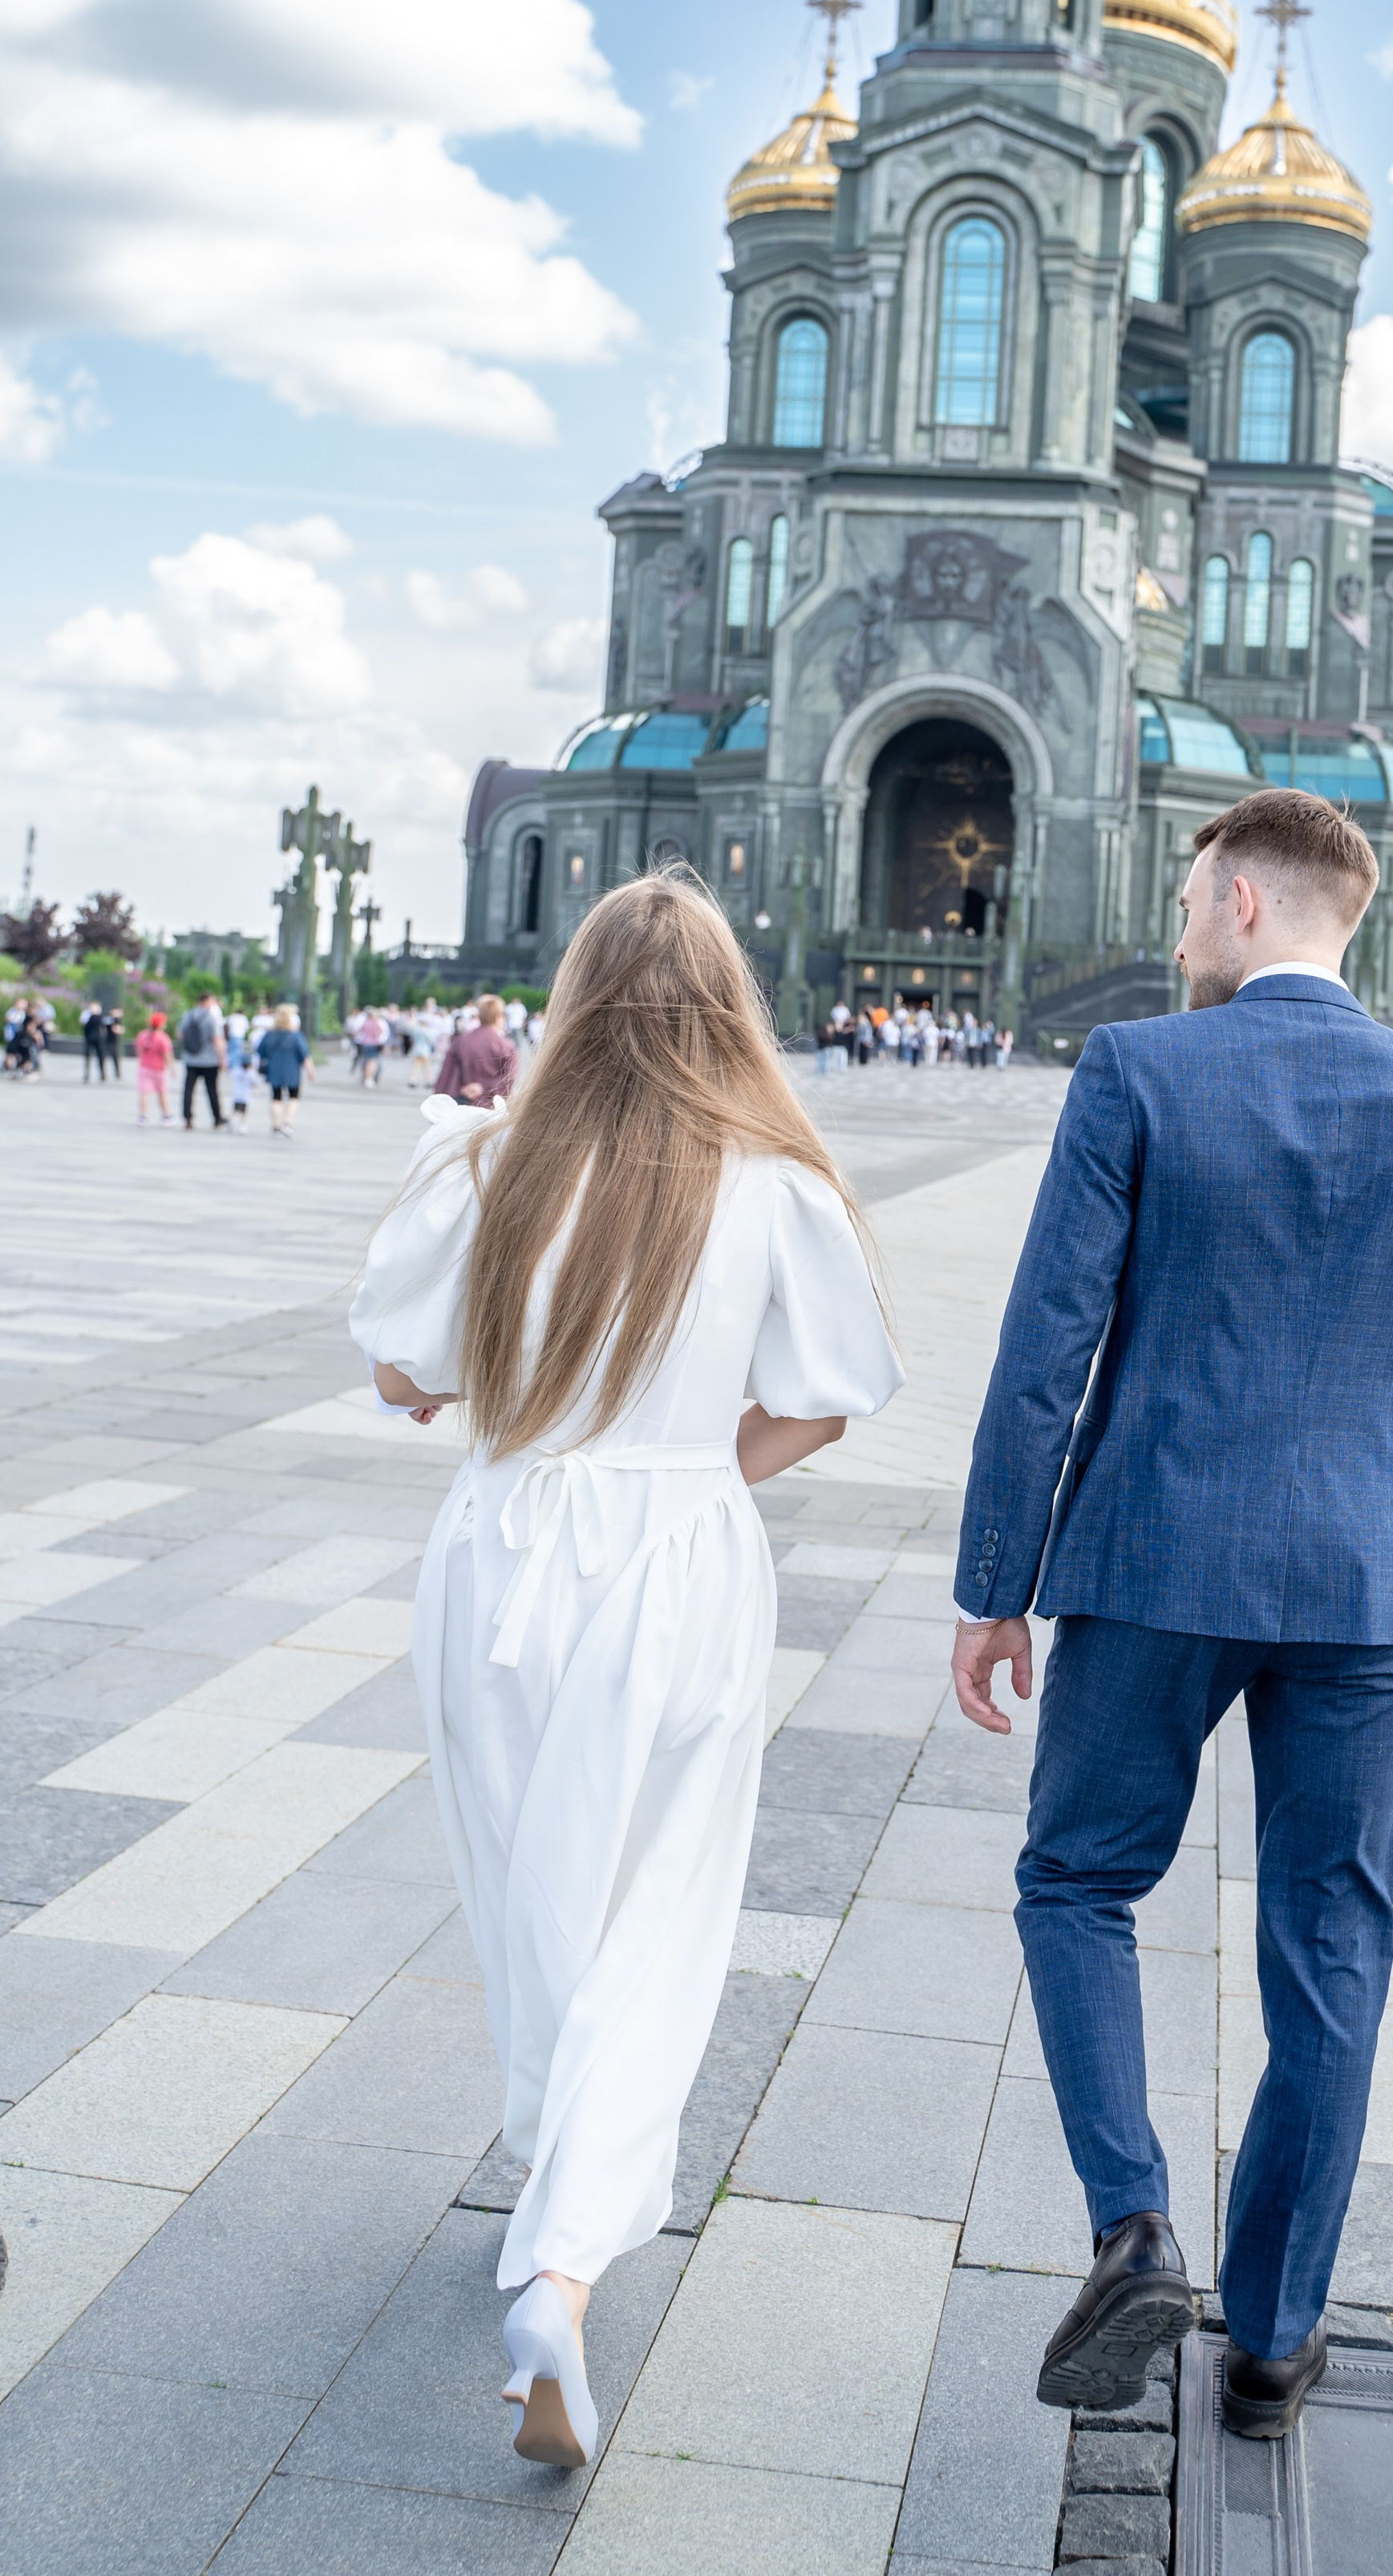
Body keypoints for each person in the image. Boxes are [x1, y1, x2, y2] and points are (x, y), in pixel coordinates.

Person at [950, 789, 1393, 2441]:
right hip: (1372, 1585)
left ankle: (1132, 2224)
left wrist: (990, 1585)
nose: (1171, 923)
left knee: (1076, 1879)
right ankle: (1275, 2338)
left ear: (1233, 901)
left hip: (1149, 1559)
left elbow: (1042, 1350)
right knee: (1330, 1945)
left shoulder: (1139, 1074)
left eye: (1179, 896)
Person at [346, 873, 900, 2472]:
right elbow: (830, 1394)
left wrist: (526, 1401)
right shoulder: (769, 1178)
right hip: (676, 1547)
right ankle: (564, 2271)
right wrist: (690, 1462)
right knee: (658, 1900)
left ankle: (548, 2218)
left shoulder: (477, 1156)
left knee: (529, 1892)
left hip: (501, 1531)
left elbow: (401, 1370)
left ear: (573, 994)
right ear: (726, 1005)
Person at [438, 992, 520, 1107]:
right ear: (498, 1016)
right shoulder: (506, 1045)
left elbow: (446, 1074)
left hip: (464, 1104)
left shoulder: (462, 1040)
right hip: (493, 1108)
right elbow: (510, 1077)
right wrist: (484, 1087)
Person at [257, 1002, 310, 1134]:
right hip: (292, 1071)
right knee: (293, 1096)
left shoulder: (269, 1035)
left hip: (274, 1069)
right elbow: (305, 1055)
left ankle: (275, 1126)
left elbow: (260, 1051)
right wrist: (311, 1071)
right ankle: (287, 1122)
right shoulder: (296, 1036)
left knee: (276, 1097)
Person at [178, 992, 228, 1129]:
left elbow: (180, 1035)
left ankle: (187, 1118)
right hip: (210, 1060)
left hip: (191, 1059)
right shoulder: (211, 1018)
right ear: (208, 1001)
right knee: (212, 1089)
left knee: (188, 1089)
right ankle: (217, 1118)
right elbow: (217, 1040)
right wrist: (223, 1060)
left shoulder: (188, 1015)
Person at [135, 1010, 174, 1123]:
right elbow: (167, 1055)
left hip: (144, 1068)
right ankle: (166, 1116)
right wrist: (172, 1069)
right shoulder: (163, 1038)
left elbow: (139, 1051)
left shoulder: (142, 1036)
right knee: (162, 1094)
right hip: (159, 1070)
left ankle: (142, 1116)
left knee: (145, 1093)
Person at [225, 1015, 257, 1134]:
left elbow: (231, 1075)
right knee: (244, 1111)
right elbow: (254, 1083)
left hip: (236, 1094)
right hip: (245, 1096)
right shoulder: (250, 1073)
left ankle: (231, 1118)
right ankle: (243, 1125)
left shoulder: (237, 1071)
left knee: (234, 1109)